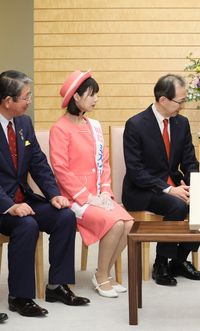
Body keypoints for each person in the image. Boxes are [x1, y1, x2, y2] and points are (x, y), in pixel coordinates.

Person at [0, 70, 90, 317]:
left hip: (24, 199)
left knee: (65, 216)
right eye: (25, 97)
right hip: (3, 205)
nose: (29, 101)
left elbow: (38, 162)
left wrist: (53, 194)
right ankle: (20, 296)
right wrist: (10, 205)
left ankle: (57, 286)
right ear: (8, 101)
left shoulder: (23, 123)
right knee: (26, 225)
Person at [49, 70, 134, 298]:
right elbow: (61, 169)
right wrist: (87, 197)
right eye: (91, 94)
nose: (96, 99)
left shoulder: (94, 126)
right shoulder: (60, 128)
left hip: (99, 194)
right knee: (115, 224)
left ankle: (103, 271)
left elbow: (103, 163)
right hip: (74, 198)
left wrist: (106, 191)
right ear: (76, 97)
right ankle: (102, 275)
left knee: (127, 222)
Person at [122, 74, 200, 286]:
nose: (183, 105)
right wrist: (169, 190)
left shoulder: (182, 123)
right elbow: (136, 171)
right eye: (180, 101)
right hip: (141, 190)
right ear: (163, 100)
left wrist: (195, 186)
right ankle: (161, 263)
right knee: (177, 206)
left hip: (172, 184)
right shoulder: (136, 124)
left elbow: (190, 161)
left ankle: (179, 261)